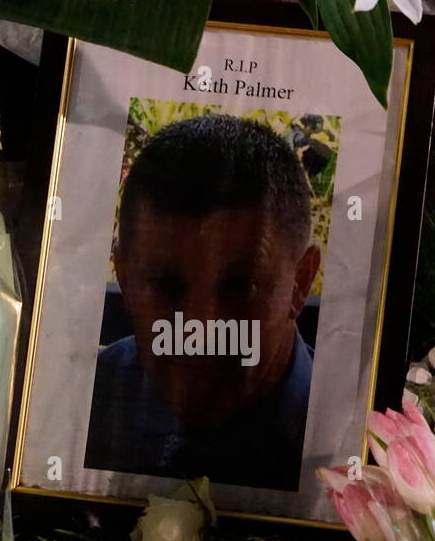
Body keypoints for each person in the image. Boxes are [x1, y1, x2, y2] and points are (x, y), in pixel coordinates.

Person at [85, 113, 321, 491]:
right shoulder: (83, 403)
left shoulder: (349, 437)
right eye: (165, 284)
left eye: (239, 287)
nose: (197, 332)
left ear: (300, 283)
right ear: (124, 276)